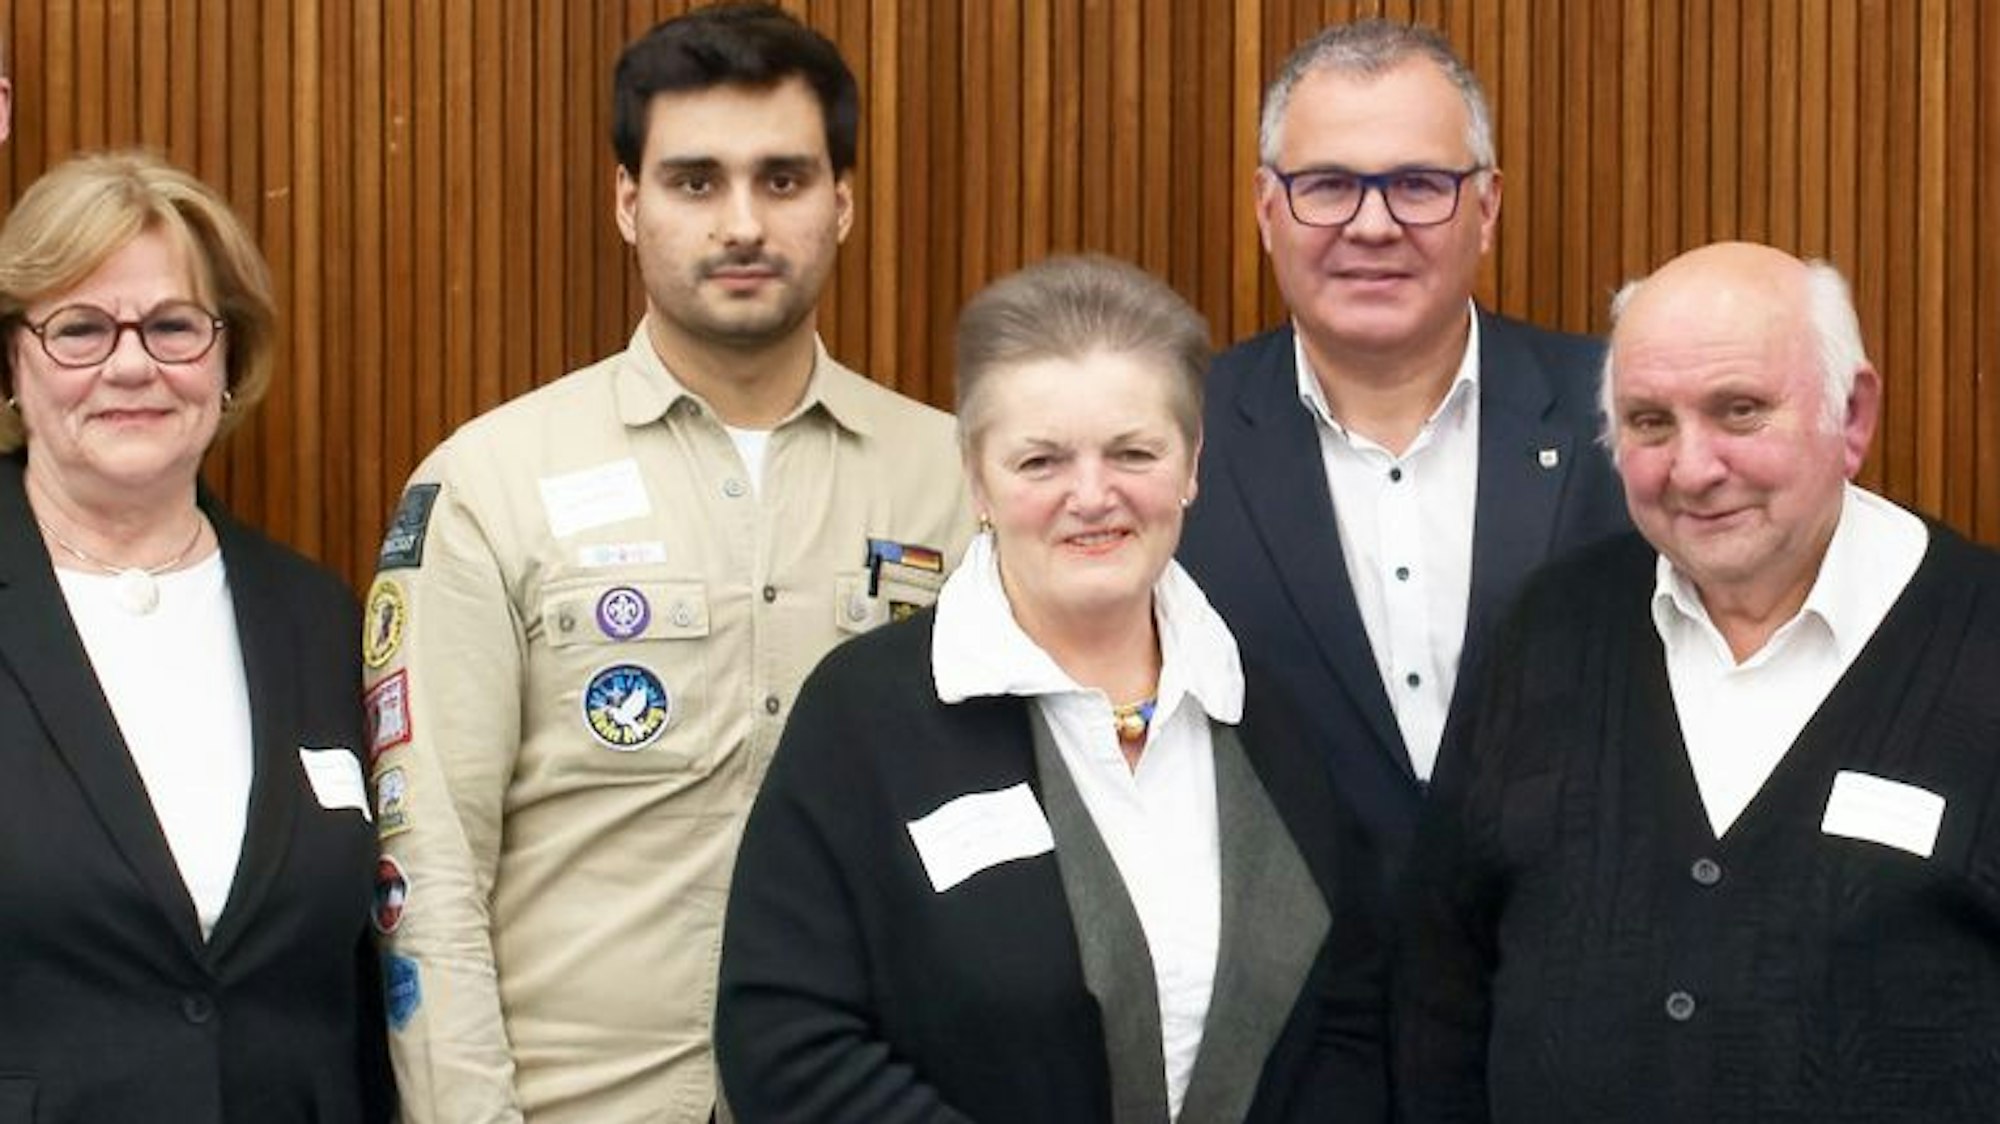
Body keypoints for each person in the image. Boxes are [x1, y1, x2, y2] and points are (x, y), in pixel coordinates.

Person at [364, 5, 972, 1121]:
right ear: (625, 202)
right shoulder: (487, 485)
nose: (741, 222)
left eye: (782, 180)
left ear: (842, 200)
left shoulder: (958, 481)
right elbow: (426, 874)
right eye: (695, 181)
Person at [716, 255, 1388, 1123]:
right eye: (1041, 461)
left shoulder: (1262, 713)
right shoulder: (863, 717)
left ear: (1190, 466)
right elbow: (784, 1040)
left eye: (1134, 451)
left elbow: (1346, 1011)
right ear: (976, 479)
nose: (1092, 495)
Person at [1397, 242, 2000, 1121]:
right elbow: (1440, 988)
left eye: (1741, 411)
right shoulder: (1546, 632)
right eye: (1649, 422)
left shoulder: (1981, 643)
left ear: (1854, 414)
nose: (1693, 467)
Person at [1177, 19, 1627, 878]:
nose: (1373, 224)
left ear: (1487, 207)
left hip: (1563, 983)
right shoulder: (1172, 440)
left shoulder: (1617, 414)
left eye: (1419, 185)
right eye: (1329, 185)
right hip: (1290, 1000)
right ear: (1267, 210)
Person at [0, 151, 389, 1121]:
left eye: (173, 326)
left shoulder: (314, 615)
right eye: (80, 329)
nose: (132, 363)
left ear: (227, 358)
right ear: (12, 361)